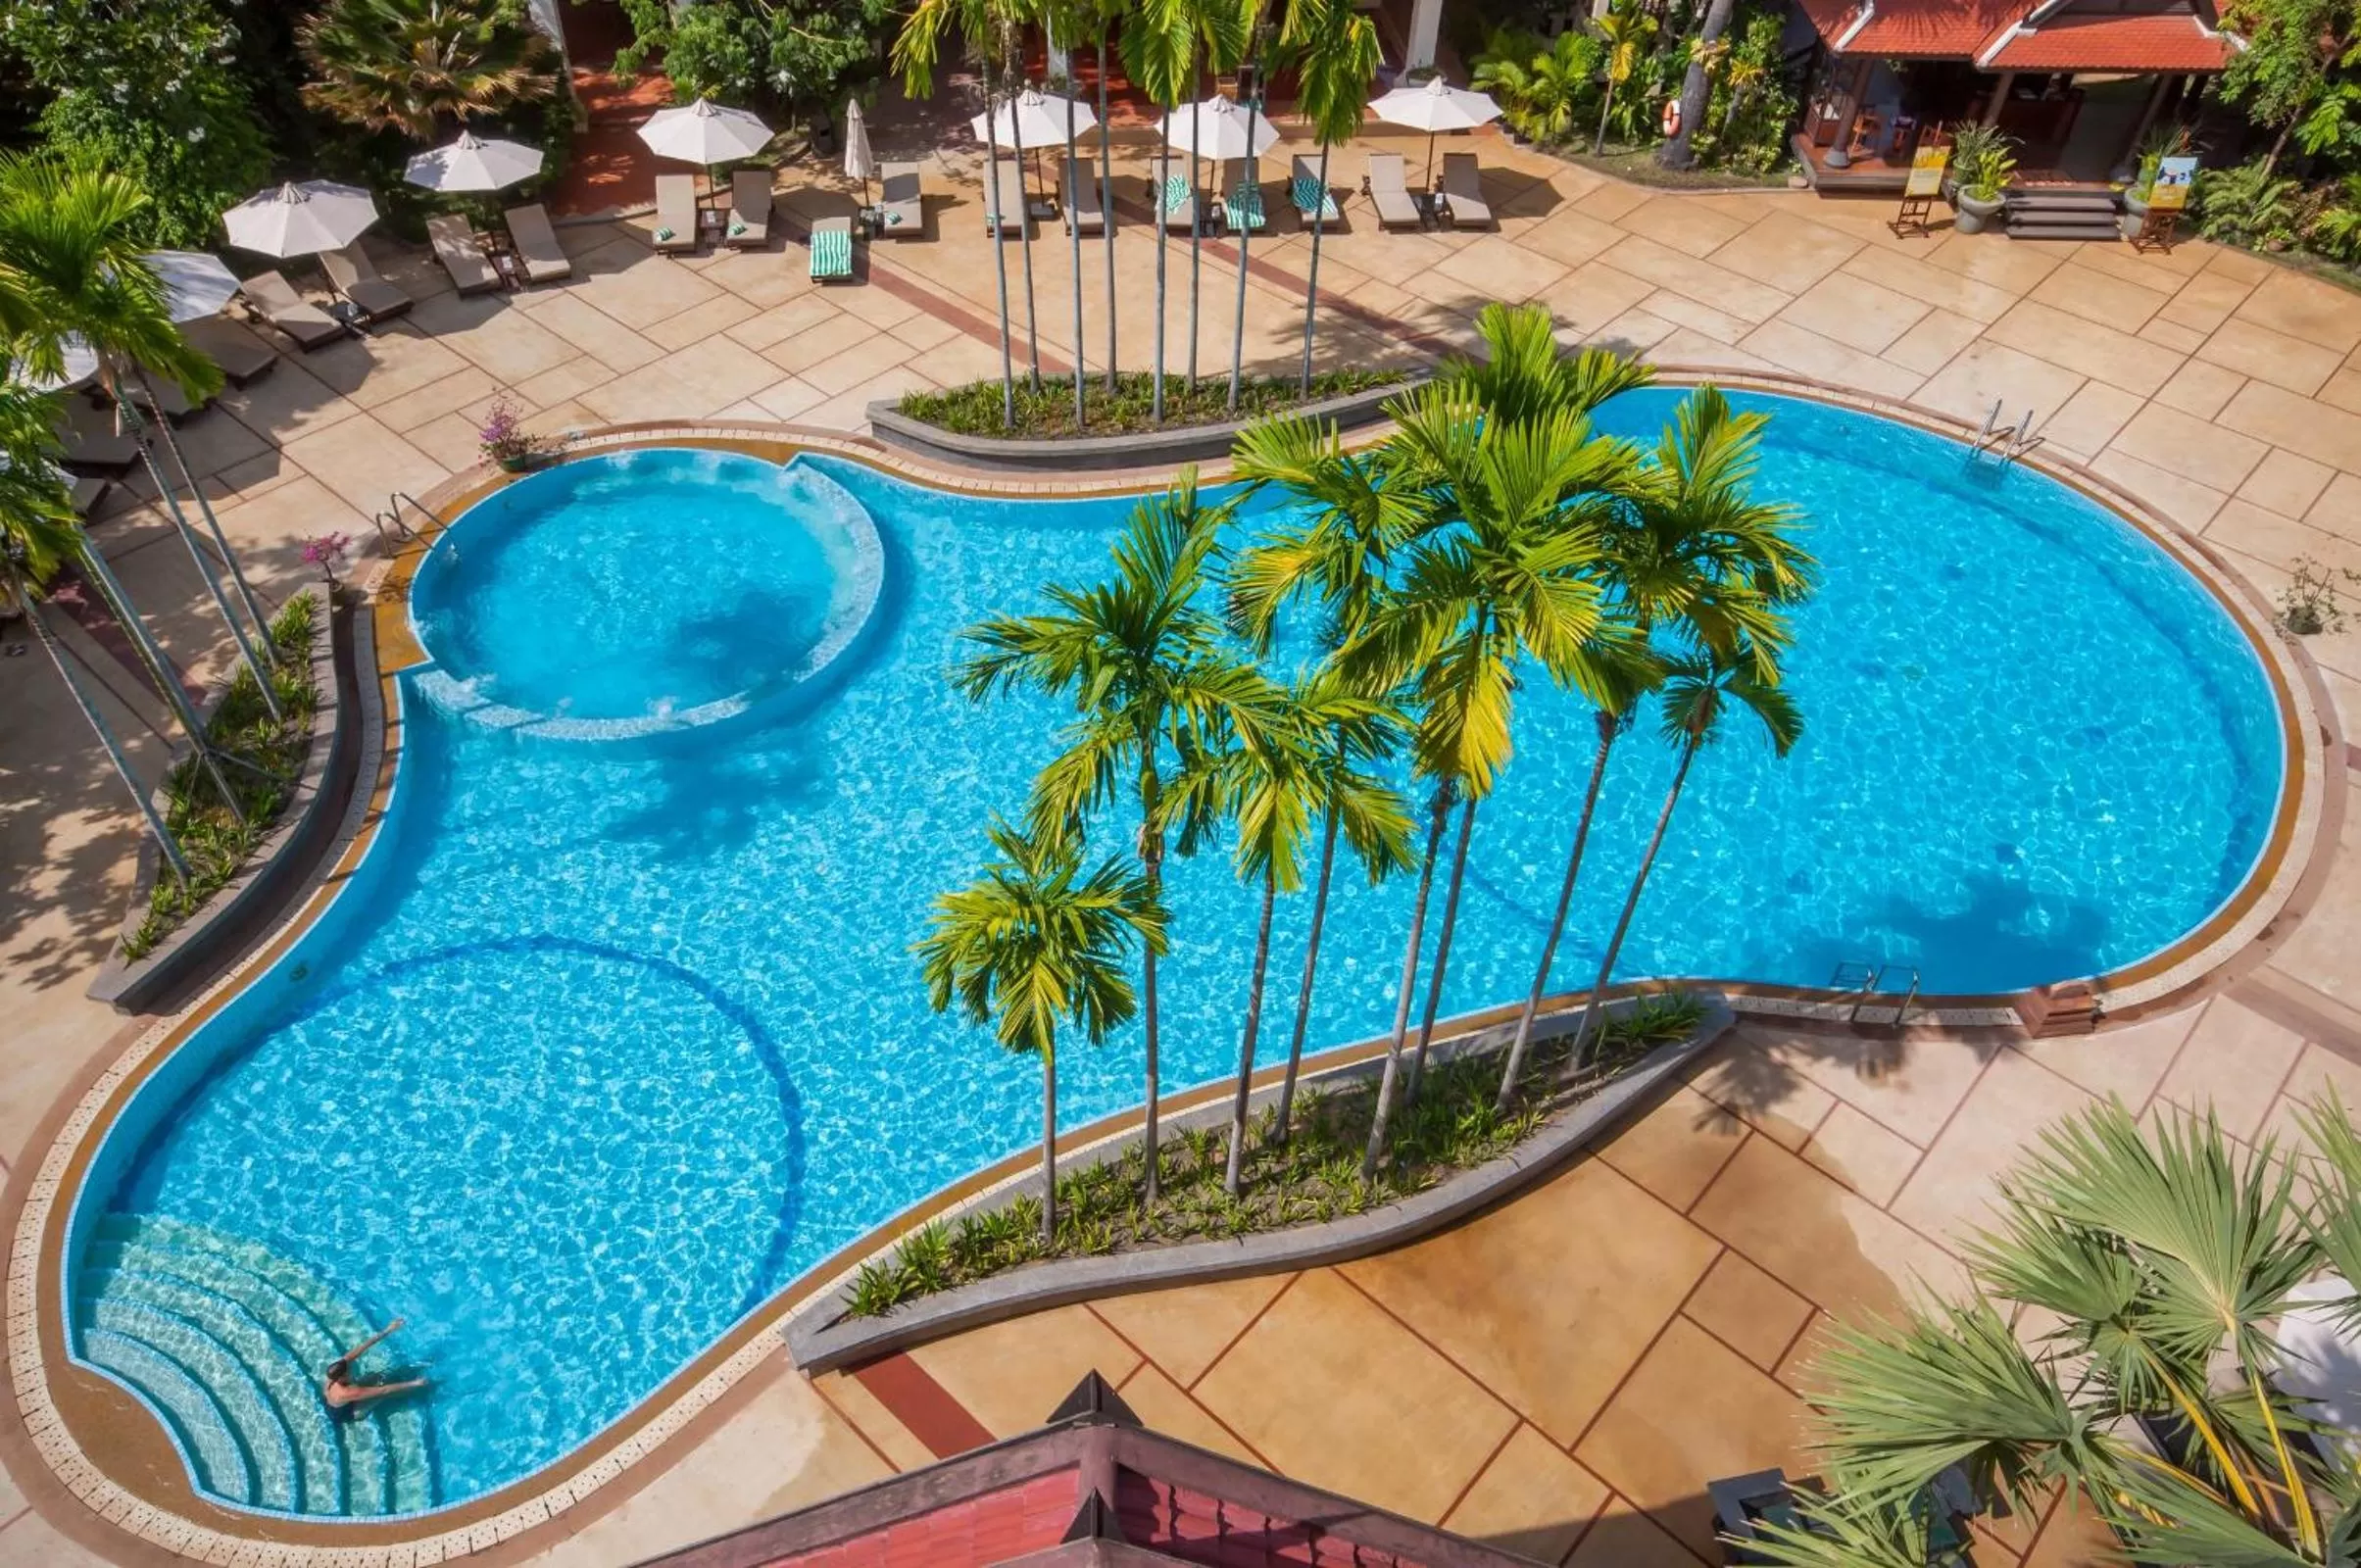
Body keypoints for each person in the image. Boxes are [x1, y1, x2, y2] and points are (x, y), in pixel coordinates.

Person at [321, 1318, 427, 1413]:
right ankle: (412, 1394)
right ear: (342, 1377)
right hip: (347, 1412)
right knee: (384, 1392)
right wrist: (415, 1383)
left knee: (376, 1377)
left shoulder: (336, 1371)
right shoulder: (346, 1392)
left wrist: (388, 1329)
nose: (350, 1368)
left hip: (335, 1400)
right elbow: (384, 1390)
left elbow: (364, 1346)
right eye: (348, 1370)